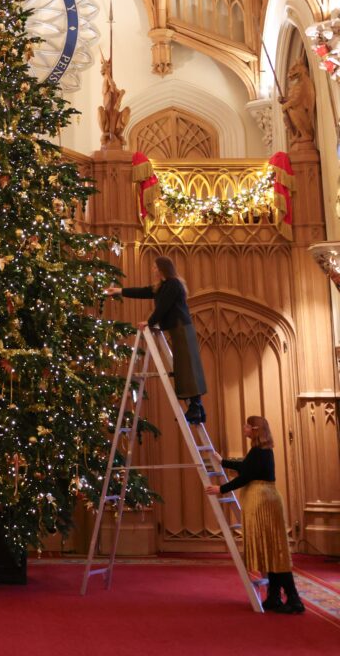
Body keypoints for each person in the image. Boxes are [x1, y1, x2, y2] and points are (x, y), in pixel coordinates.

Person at [206, 416, 304, 614]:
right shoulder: (259, 451)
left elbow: (246, 476)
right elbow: (246, 468)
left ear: (255, 429)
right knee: (270, 549)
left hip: (263, 502)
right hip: (262, 500)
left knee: (275, 550)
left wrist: (221, 488)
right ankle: (274, 596)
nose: (244, 428)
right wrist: (223, 461)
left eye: (247, 425)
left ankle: (294, 600)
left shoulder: (260, 451)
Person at [105, 255, 207, 424]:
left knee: (186, 366)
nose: (153, 270)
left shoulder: (173, 284)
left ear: (162, 269)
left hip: (181, 327)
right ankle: (197, 409)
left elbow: (164, 307)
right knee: (183, 365)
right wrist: (119, 291)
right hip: (177, 328)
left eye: (154, 267)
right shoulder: (164, 285)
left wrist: (149, 322)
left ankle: (196, 407)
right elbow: (143, 291)